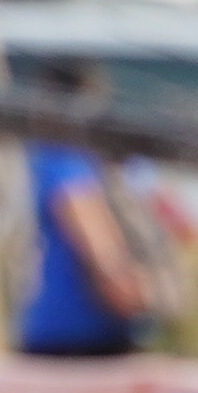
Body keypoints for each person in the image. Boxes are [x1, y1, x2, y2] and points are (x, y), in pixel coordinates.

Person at [17, 61, 161, 359]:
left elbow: (88, 228)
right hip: (102, 326)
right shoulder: (108, 159)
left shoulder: (58, 155)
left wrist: (118, 282)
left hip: (68, 329)